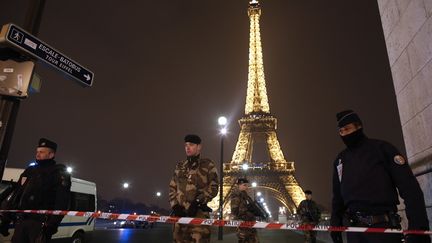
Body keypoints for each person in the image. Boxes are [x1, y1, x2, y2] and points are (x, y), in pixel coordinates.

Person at [330, 110, 430, 243]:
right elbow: (338, 197)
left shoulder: (383, 150)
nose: (344, 134)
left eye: (347, 129)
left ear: (359, 126)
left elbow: (410, 189)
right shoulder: (340, 161)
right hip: (355, 232)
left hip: (384, 230)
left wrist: (418, 229)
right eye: (341, 131)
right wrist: (335, 223)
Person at [0, 138, 71, 243]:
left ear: (51, 155)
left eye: (41, 152)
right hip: (21, 222)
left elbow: (62, 202)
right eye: (37, 151)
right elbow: (17, 194)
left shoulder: (58, 173)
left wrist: (51, 225)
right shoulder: (30, 171)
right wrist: (6, 220)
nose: (38, 154)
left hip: (40, 224)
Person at [169, 134, 219, 243]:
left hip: (198, 217)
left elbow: (214, 186)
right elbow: (172, 187)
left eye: (191, 145)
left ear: (199, 147)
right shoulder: (180, 166)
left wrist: (198, 201)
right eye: (186, 145)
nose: (187, 147)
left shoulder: (208, 165)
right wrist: (175, 205)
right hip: (180, 216)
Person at [230, 178, 260, 243]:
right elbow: (234, 210)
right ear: (239, 185)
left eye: (247, 185)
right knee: (244, 240)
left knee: (253, 240)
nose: (247, 187)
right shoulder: (236, 196)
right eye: (244, 185)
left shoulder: (245, 196)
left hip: (249, 222)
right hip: (242, 223)